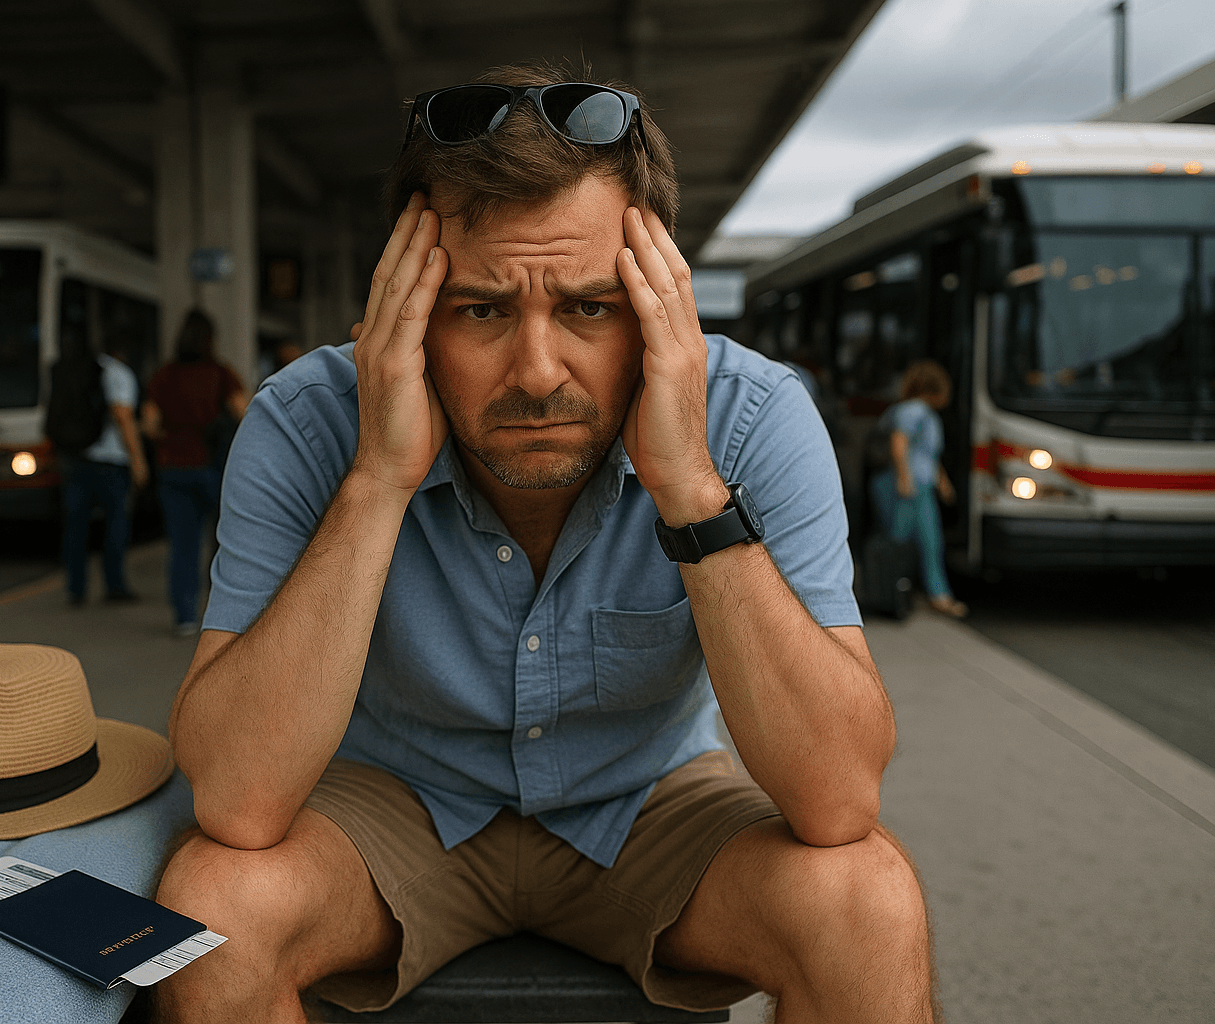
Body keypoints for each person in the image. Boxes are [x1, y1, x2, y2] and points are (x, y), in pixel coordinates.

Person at [156, 64, 939, 1024]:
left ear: (661, 302)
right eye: (481, 309)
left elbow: (838, 799)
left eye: (589, 308)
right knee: (213, 907)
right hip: (400, 804)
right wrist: (376, 480)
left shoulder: (752, 415)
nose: (536, 372)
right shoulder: (308, 419)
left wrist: (691, 487)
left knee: (868, 901)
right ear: (408, 303)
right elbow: (236, 801)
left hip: (647, 801)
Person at [141, 310, 247, 636]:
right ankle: (221, 618)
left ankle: (185, 616)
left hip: (173, 468)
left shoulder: (164, 376)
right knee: (224, 544)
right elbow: (246, 413)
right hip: (212, 467)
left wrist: (173, 437)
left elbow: (149, 424)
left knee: (182, 545)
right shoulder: (221, 373)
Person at [870, 360, 966, 618]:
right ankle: (898, 592)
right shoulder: (914, 411)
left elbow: (927, 454)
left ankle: (925, 593)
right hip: (907, 488)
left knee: (927, 541)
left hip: (919, 488)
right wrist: (904, 478)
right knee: (903, 541)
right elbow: (899, 444)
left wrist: (941, 481)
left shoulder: (920, 413)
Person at [60, 330, 148, 606]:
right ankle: (115, 585)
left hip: (77, 457)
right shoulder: (119, 373)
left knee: (76, 527)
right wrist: (138, 459)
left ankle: (76, 588)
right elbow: (122, 416)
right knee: (115, 525)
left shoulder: (79, 370)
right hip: (111, 462)